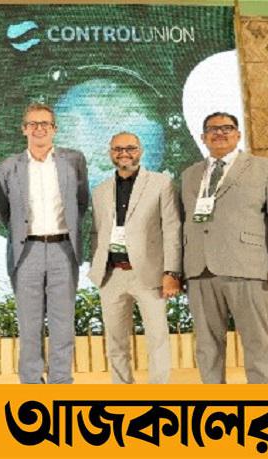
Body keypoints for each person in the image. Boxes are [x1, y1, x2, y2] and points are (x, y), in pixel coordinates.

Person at [181, 112, 268, 384]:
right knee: (207, 345)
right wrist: (177, 269)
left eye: (227, 128)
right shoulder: (189, 174)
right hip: (200, 270)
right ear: (203, 137)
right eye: (212, 129)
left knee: (256, 343)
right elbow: (182, 223)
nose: (219, 133)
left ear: (238, 134)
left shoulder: (265, 168)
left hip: (248, 267)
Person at [0, 102, 89, 384]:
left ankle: (61, 382)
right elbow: (5, 211)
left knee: (63, 323)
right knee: (29, 324)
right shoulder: (8, 167)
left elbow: (81, 203)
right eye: (33, 124)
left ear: (54, 129)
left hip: (63, 249)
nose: (39, 129)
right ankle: (32, 384)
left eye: (45, 124)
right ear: (24, 129)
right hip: (27, 251)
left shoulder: (73, 161)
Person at [88, 132, 182, 384]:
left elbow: (172, 228)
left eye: (130, 148)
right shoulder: (100, 190)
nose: (124, 154)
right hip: (111, 275)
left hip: (150, 275)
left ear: (140, 151)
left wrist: (171, 272)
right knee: (115, 342)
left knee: (157, 339)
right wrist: (96, 266)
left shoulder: (161, 183)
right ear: (110, 153)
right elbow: (96, 232)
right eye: (118, 149)